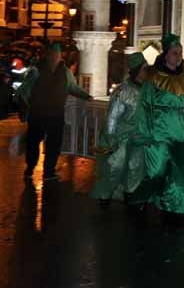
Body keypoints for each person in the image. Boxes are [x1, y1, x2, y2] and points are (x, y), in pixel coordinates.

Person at [131, 33, 184, 218]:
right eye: (175, 52)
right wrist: (145, 132)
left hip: (181, 134)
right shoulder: (153, 79)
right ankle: (143, 199)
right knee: (157, 172)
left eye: (180, 53)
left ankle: (178, 209)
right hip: (159, 134)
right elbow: (144, 106)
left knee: (181, 172)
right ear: (166, 54)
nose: (179, 56)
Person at [15, 42, 92, 180]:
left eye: (56, 53)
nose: (54, 56)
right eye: (52, 53)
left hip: (55, 114)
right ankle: (30, 168)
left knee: (53, 144)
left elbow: (72, 88)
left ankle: (48, 171)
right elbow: (26, 88)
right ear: (47, 54)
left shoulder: (65, 71)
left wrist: (86, 96)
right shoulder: (36, 70)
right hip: (38, 113)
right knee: (33, 142)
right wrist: (25, 104)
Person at [90, 52, 147, 205]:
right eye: (144, 69)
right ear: (136, 70)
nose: (146, 72)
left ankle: (132, 196)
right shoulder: (122, 91)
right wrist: (111, 138)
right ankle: (105, 195)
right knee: (115, 167)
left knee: (136, 168)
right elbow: (112, 117)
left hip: (139, 137)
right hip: (122, 138)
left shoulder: (147, 90)